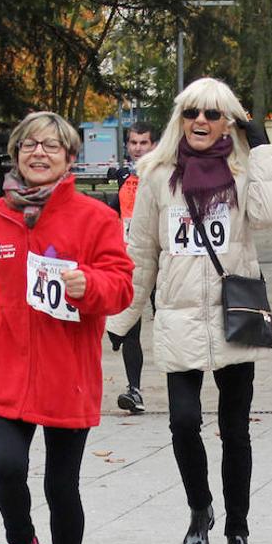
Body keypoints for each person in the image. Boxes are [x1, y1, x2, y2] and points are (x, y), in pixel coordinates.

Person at [0, 111, 133, 544]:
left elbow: (121, 286)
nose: (39, 153)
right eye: (29, 144)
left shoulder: (95, 217)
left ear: (70, 158)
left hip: (66, 374)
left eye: (52, 146)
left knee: (60, 485)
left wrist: (89, 285)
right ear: (15, 154)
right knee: (6, 469)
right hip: (9, 371)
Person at [107, 78, 272, 544]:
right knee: (184, 422)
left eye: (212, 113)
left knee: (235, 430)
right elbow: (141, 251)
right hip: (178, 314)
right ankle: (199, 508)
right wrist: (123, 316)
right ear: (180, 119)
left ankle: (238, 530)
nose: (201, 122)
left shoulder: (244, 171)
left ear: (229, 120)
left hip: (237, 312)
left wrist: (262, 146)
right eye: (192, 113)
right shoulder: (155, 175)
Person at [105, 121, 158, 414]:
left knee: (167, 324)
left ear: (155, 145)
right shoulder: (126, 176)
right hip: (133, 260)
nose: (138, 148)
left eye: (144, 143)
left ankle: (183, 388)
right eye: (133, 143)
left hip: (162, 260)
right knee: (130, 326)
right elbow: (114, 211)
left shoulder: (165, 174)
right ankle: (134, 390)